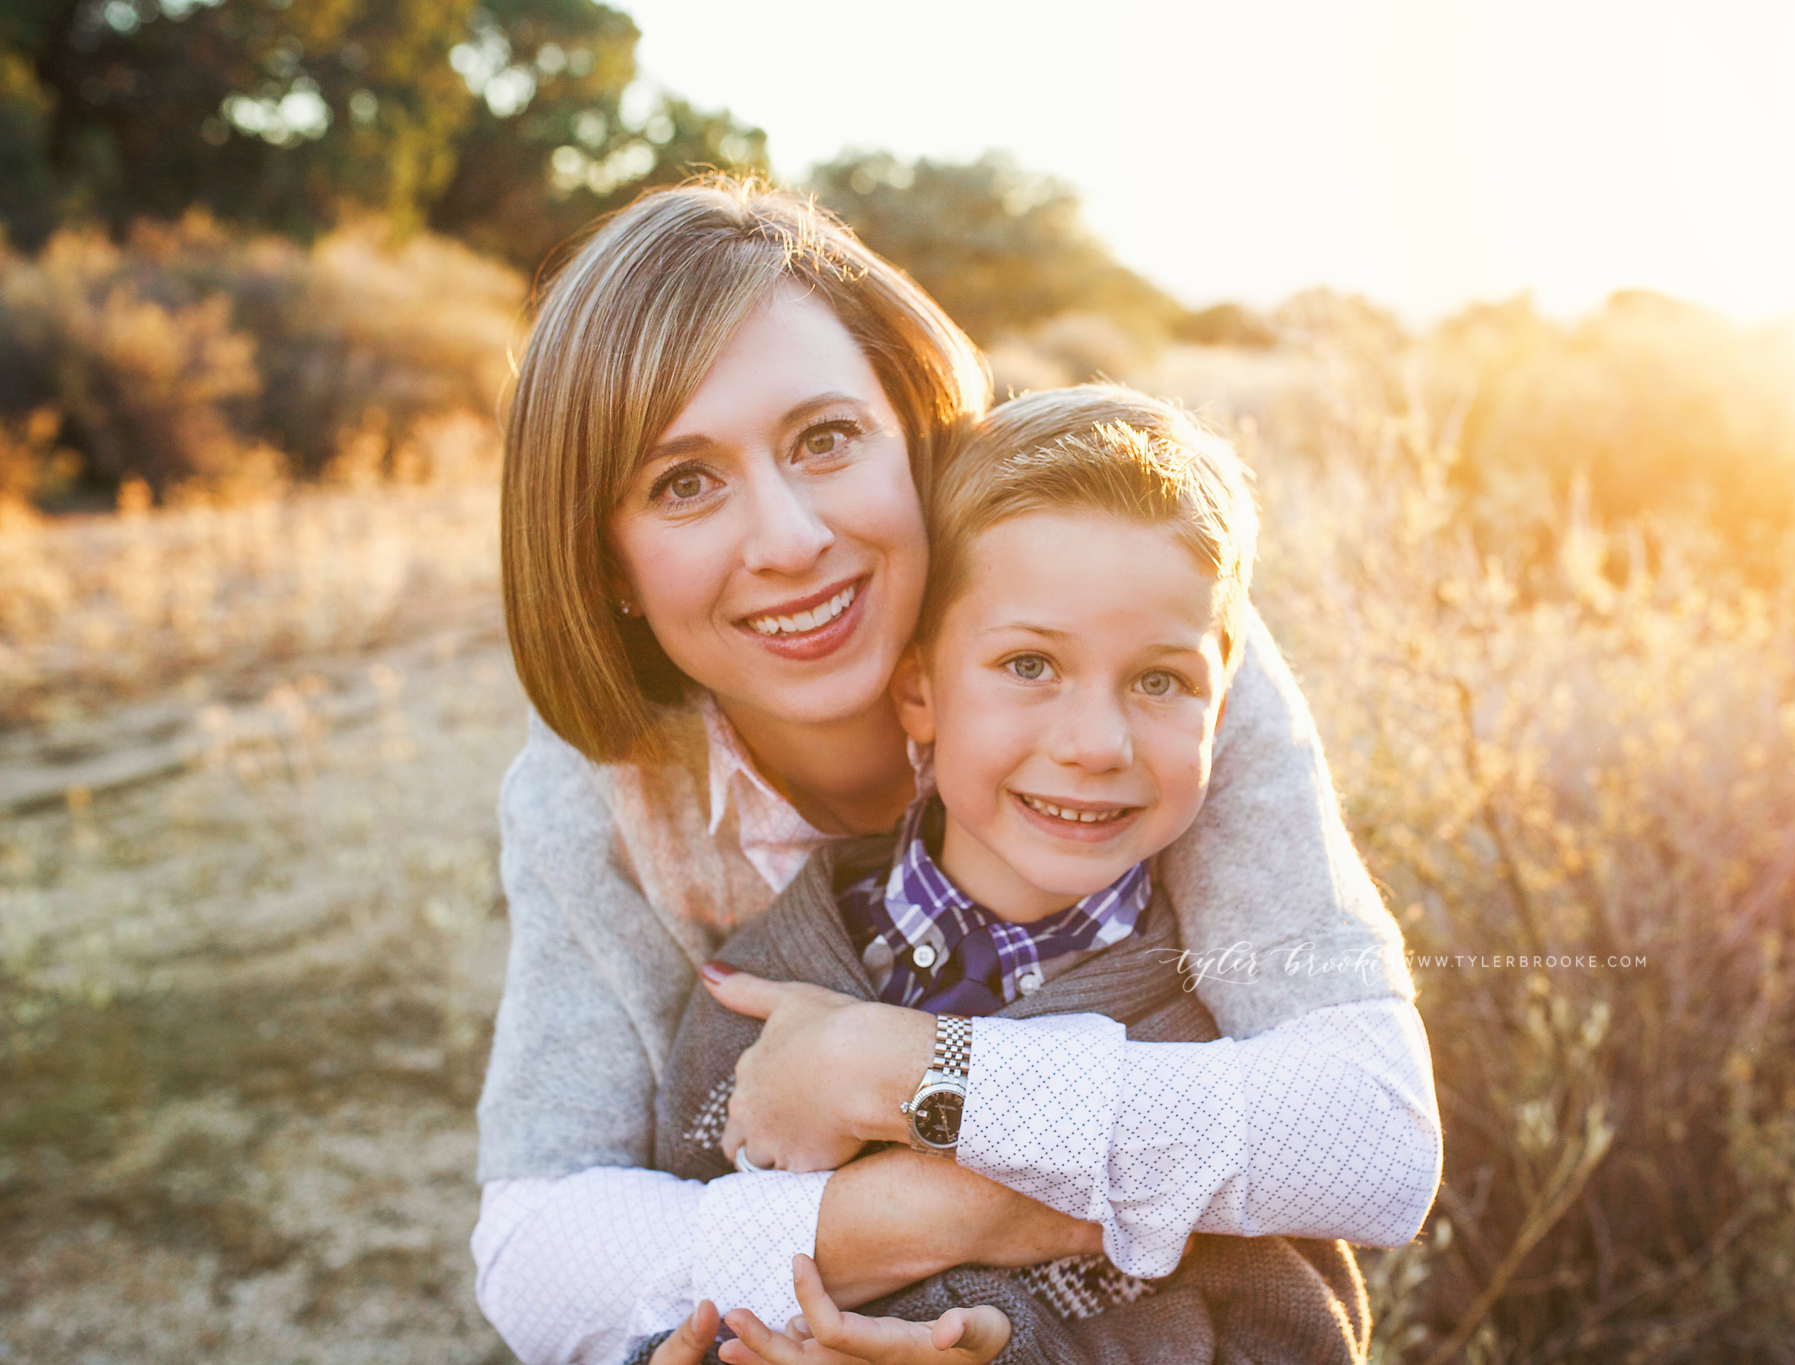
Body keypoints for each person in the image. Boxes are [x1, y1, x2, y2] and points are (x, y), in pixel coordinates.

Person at [472, 178, 1440, 1365]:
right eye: (684, 482)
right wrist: (930, 1214)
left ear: (913, 428)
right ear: (606, 560)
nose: (787, 541)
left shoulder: (1140, 654)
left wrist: (905, 1073)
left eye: (824, 439)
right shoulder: (600, 789)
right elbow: (533, 1245)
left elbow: (1373, 1137)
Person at [635, 385, 1399, 1365]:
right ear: (918, 689)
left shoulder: (1214, 1043)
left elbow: (1297, 1343)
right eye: (1030, 665)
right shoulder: (769, 991)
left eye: (1160, 680)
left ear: (1223, 709)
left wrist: (1009, 1351)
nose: (1095, 743)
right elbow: (665, 1288)